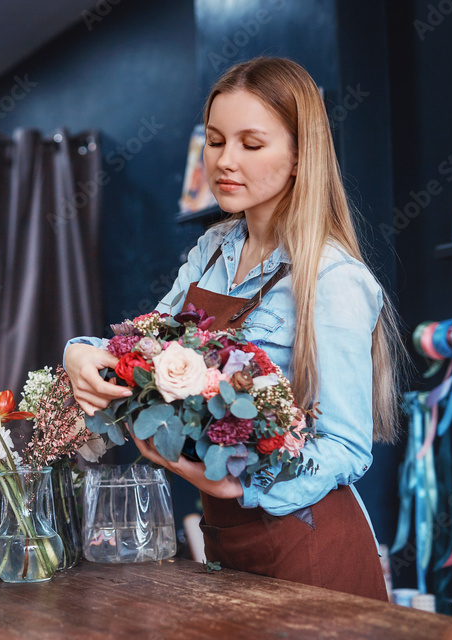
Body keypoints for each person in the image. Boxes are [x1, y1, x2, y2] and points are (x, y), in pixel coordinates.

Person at [64, 57, 403, 601]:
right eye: (216, 141)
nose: (224, 161)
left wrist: (236, 483)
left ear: (298, 156)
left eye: (251, 143)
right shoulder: (212, 251)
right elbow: (142, 341)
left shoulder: (333, 277)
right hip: (225, 534)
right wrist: (80, 354)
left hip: (309, 543)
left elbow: (346, 447)